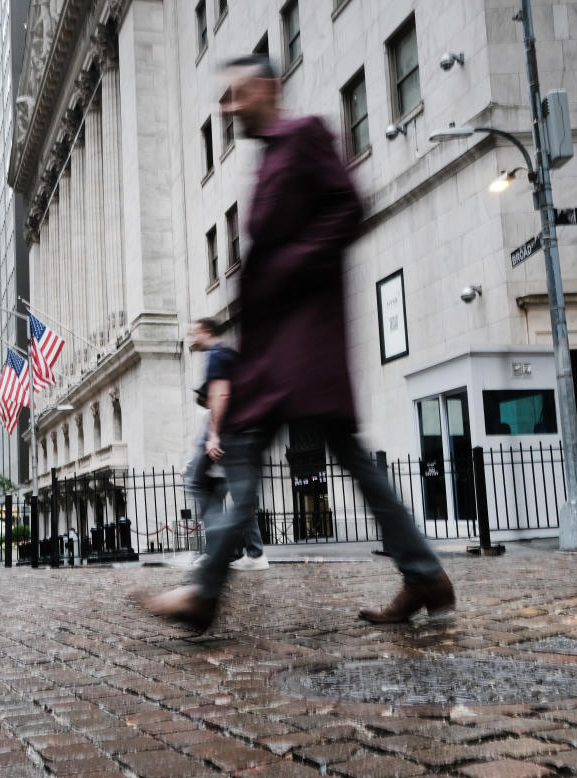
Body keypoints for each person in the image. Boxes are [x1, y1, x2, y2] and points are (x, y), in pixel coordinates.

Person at [145, 55, 454, 630]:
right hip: (275, 349)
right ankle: (424, 575)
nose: (229, 109)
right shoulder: (266, 159)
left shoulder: (305, 135)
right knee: (324, 462)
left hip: (304, 345)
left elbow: (348, 208)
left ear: (268, 88)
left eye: (236, 95)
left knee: (267, 457)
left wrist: (289, 265)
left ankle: (205, 593)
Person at [184, 318, 267, 571]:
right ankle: (252, 553)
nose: (191, 337)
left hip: (231, 432)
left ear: (206, 332)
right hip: (242, 430)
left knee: (198, 483)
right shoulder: (228, 354)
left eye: (194, 332)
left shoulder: (216, 354)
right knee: (241, 497)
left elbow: (221, 394)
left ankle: (221, 550)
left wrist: (214, 435)